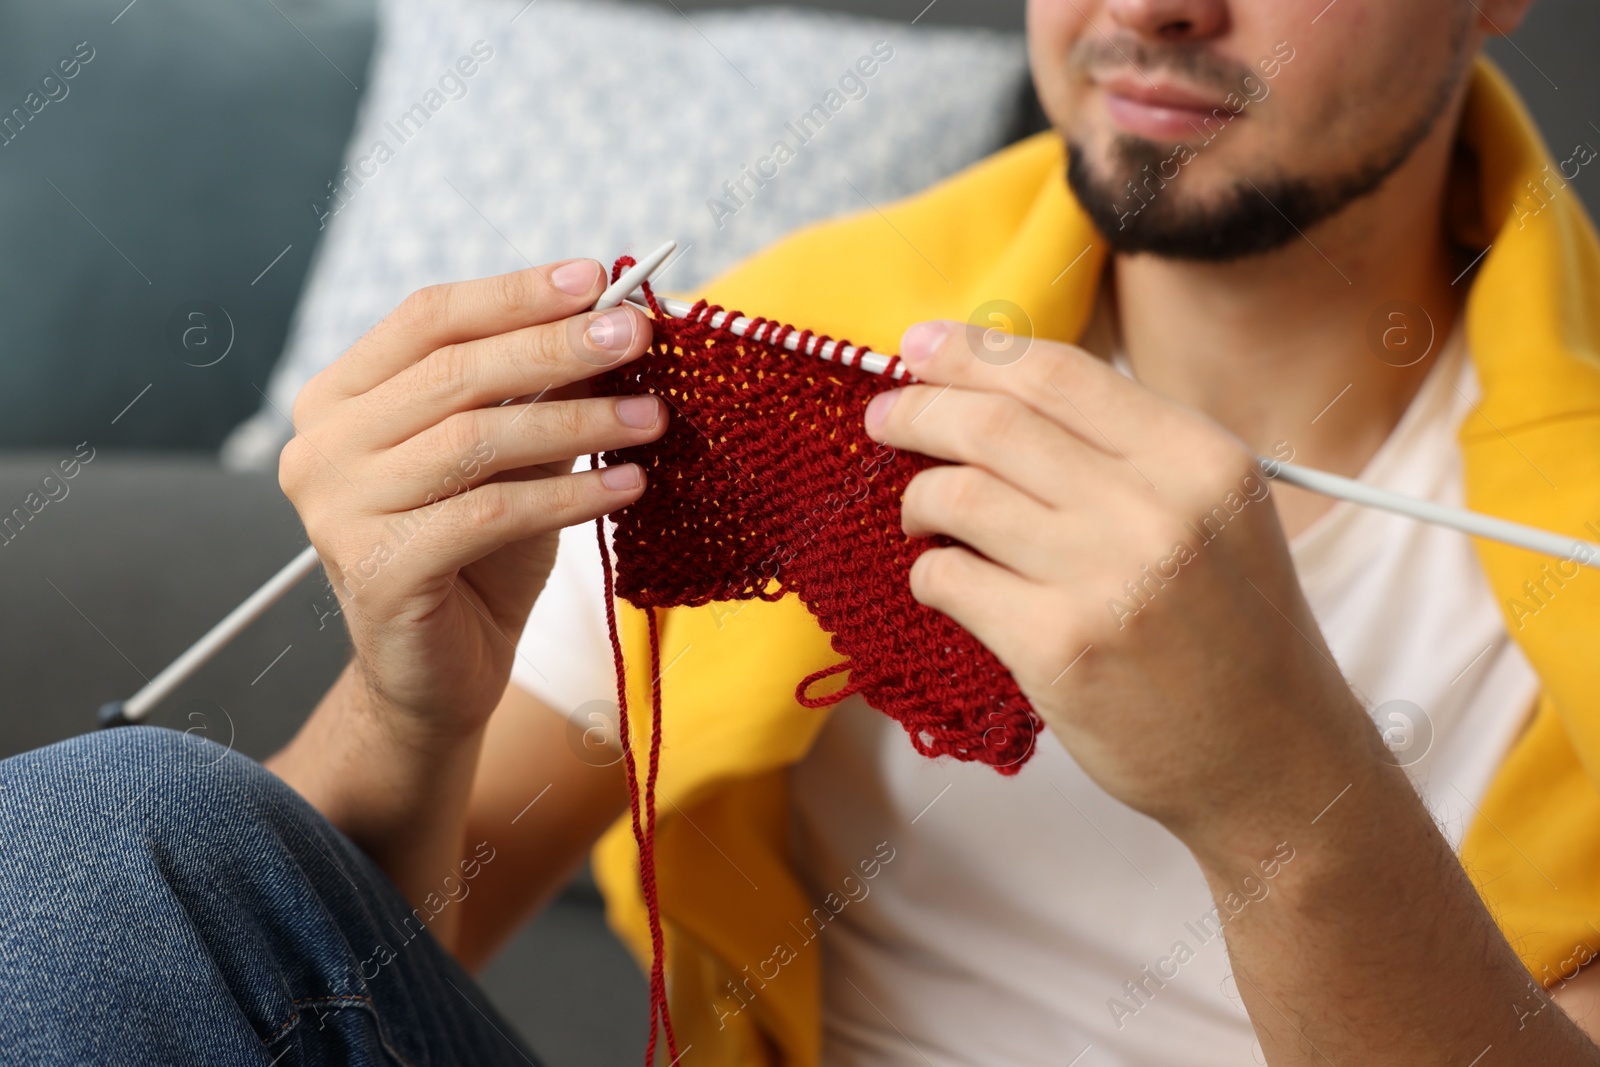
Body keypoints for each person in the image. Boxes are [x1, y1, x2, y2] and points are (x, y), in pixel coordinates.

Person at [5, 0, 1600, 1063]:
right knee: (113, 830)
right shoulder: (795, 345)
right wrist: (416, 701)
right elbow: (298, 975)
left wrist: (1282, 803)